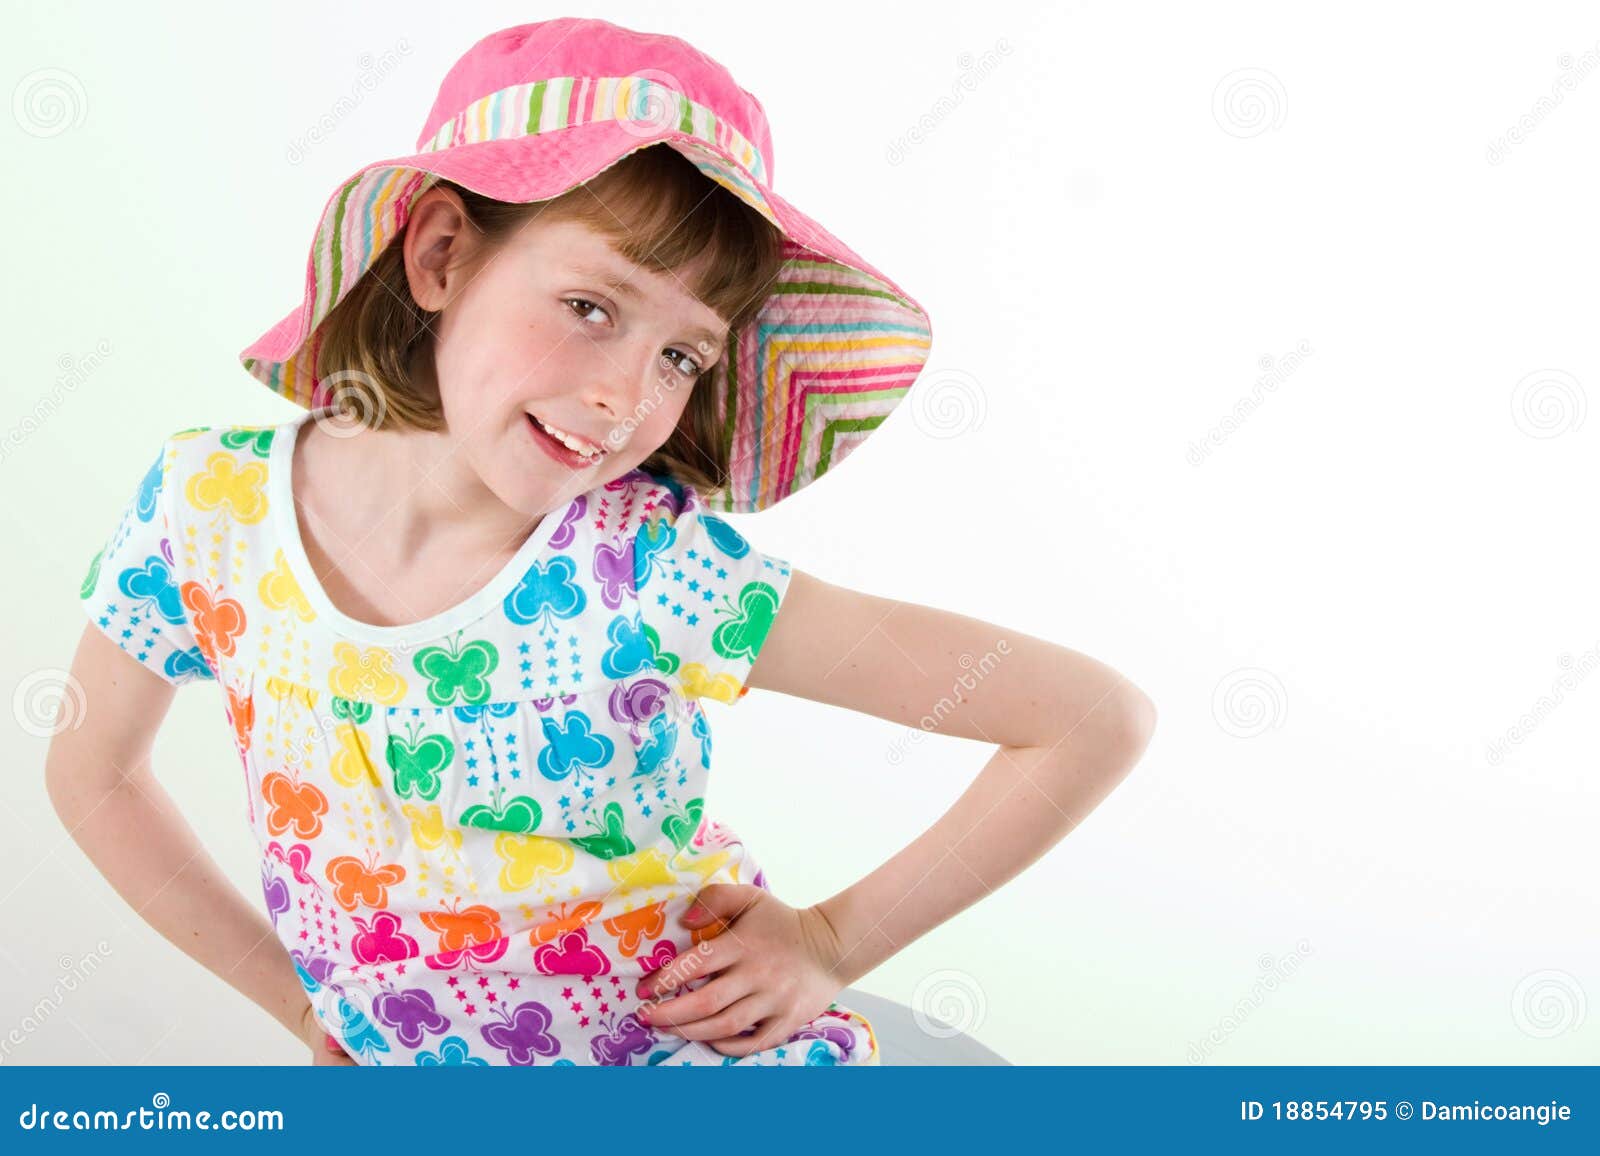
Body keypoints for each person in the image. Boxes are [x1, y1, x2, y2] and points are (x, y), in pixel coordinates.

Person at [48, 17, 1157, 1066]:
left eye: (683, 356)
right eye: (591, 305)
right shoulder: (206, 509)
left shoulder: (656, 571)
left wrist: (829, 941)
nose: (629, 397)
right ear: (439, 255)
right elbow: (93, 774)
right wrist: (298, 1005)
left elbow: (1087, 717)